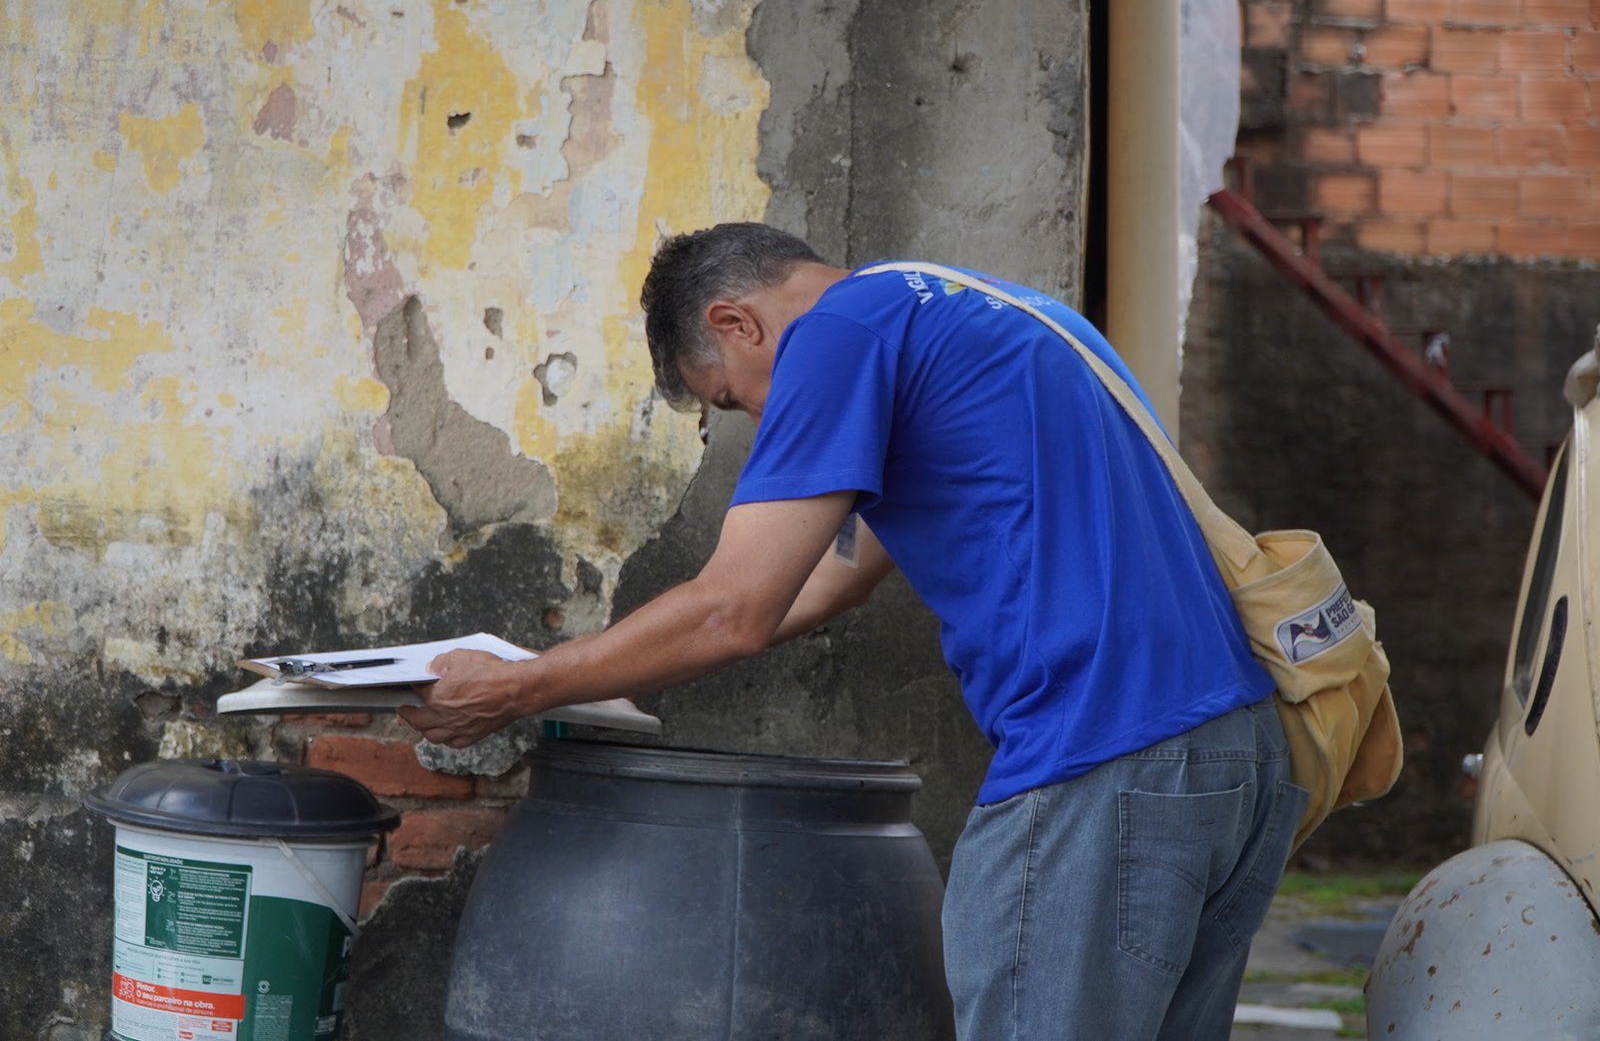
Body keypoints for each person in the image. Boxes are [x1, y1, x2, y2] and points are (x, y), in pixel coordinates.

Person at [400, 222, 1306, 1040]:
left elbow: (734, 607)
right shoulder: (977, 313)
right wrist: (618, 671)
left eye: (728, 398)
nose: (758, 421)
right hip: (1235, 758)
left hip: (1099, 764)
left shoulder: (837, 338)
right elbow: (829, 579)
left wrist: (526, 683)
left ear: (740, 321)